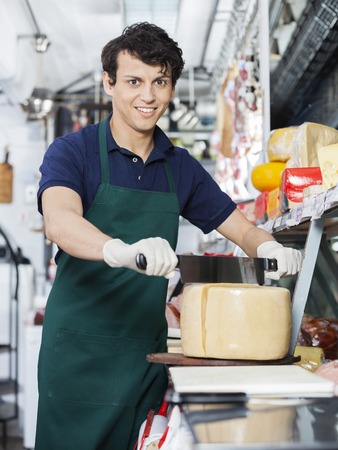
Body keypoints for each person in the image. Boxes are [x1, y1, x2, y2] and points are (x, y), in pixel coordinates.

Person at [35, 22, 302, 450]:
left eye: (160, 82)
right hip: (79, 353)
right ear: (109, 83)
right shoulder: (73, 152)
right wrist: (118, 251)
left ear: (172, 86)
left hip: (145, 355)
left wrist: (268, 245)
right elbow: (60, 221)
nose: (148, 96)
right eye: (133, 81)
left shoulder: (180, 166)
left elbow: (238, 226)